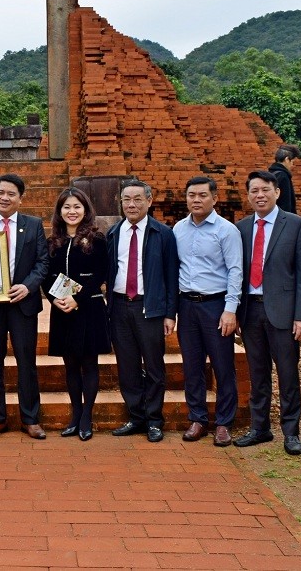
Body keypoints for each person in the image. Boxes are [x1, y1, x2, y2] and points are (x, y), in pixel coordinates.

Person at [234, 171, 301, 456]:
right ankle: (260, 428)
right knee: (258, 374)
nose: (260, 195)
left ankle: (291, 432)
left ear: (277, 192)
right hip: (251, 311)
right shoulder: (241, 228)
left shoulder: (295, 225)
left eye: (265, 189)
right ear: (248, 196)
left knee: (288, 374)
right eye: (254, 190)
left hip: (283, 312)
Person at [0, 173, 50, 440]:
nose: (5, 198)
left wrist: (27, 286)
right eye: (1, 192)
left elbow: (42, 263)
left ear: (20, 198)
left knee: (26, 361)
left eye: (11, 194)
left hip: (22, 304)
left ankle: (30, 418)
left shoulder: (33, 224)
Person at [105, 179, 178, 444]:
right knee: (127, 366)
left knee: (155, 366)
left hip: (151, 308)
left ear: (149, 200)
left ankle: (155, 420)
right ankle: (136, 416)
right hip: (120, 306)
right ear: (121, 202)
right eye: (126, 199)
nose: (131, 204)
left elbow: (172, 275)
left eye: (137, 199)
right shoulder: (113, 233)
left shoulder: (163, 234)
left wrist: (170, 313)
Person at [173, 176, 243, 447]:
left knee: (223, 365)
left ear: (215, 198)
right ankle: (198, 418)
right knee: (192, 365)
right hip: (187, 305)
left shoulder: (226, 231)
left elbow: (236, 271)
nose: (196, 200)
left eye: (202, 195)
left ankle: (224, 423)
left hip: (216, 305)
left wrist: (230, 310)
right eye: (192, 195)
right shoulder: (179, 229)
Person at [41, 188, 111, 441]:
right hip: (62, 310)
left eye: (77, 207)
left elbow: (101, 274)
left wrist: (76, 298)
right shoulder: (53, 243)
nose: (72, 212)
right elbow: (46, 276)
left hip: (89, 309)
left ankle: (86, 417)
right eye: (67, 207)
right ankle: (75, 414)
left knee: (89, 364)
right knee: (70, 364)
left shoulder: (97, 239)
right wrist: (55, 299)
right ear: (60, 212)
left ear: (86, 210)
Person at [270, 144, 301, 214]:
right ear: (287, 159)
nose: (292, 165)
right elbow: (286, 203)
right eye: (292, 162)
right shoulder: (283, 176)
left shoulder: (271, 174)